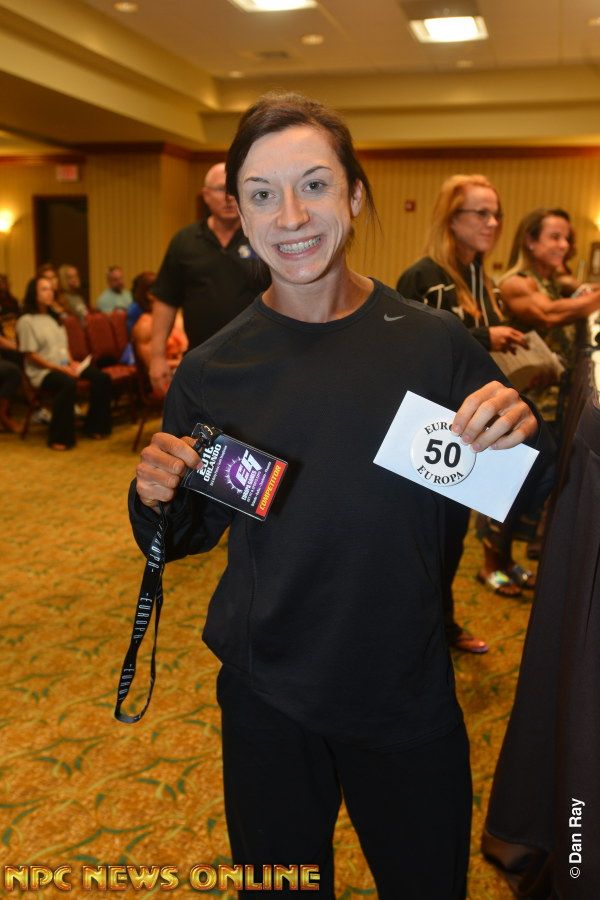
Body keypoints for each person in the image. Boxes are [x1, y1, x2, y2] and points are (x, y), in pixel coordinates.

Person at [130, 92, 547, 899]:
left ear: (354, 196)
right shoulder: (215, 369)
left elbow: (524, 489)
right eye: (261, 193)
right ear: (238, 212)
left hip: (405, 688)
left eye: (315, 185)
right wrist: (154, 495)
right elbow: (182, 535)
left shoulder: (433, 345)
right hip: (268, 695)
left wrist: (519, 429)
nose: (290, 216)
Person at [397, 174, 529, 653]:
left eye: (497, 214)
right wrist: (485, 338)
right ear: (452, 220)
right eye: (481, 213)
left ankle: (440, 626)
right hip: (430, 431)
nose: (493, 223)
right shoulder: (423, 276)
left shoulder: (482, 279)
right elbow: (409, 349)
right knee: (423, 541)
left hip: (472, 432)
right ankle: (419, 632)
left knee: (451, 540)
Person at [149, 161, 267, 393]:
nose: (229, 197)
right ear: (206, 195)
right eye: (221, 189)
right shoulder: (184, 241)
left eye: (234, 189)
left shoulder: (261, 237)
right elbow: (166, 300)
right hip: (201, 360)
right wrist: (156, 356)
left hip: (257, 358)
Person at [500, 208, 600, 433]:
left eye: (566, 238)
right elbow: (549, 314)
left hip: (559, 403)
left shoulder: (554, 282)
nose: (564, 245)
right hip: (529, 408)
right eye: (555, 237)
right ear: (530, 241)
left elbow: (584, 289)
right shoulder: (516, 282)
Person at [17, 275, 112, 449]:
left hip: (63, 365)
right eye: (44, 289)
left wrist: (71, 363)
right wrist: (59, 368)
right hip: (43, 372)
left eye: (51, 289)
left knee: (102, 378)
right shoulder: (26, 321)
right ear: (34, 293)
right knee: (67, 384)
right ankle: (59, 438)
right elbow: (30, 354)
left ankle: (94, 426)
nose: (50, 293)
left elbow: (63, 347)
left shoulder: (54, 318)